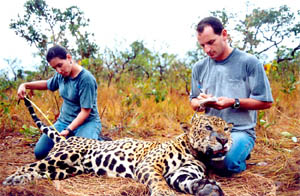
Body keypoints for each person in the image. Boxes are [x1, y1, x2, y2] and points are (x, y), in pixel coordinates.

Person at [189, 16, 273, 176]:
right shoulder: (199, 67)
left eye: (211, 42)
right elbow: (193, 101)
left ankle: (238, 156)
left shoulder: (249, 62)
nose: (207, 50)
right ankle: (232, 153)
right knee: (188, 158)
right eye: (202, 45)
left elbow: (266, 102)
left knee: (224, 164)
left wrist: (233, 102)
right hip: (208, 131)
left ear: (224, 34)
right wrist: (201, 103)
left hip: (239, 130)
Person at [18, 45, 103, 160]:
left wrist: (69, 130)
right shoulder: (61, 75)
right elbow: (48, 84)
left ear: (68, 58)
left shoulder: (86, 79)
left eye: (60, 65)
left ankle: (98, 140)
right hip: (64, 122)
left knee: (78, 155)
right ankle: (77, 138)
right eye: (55, 68)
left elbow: (85, 112)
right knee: (40, 152)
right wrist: (25, 85)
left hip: (87, 122)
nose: (58, 70)